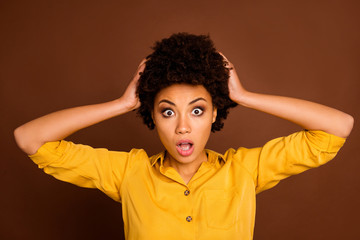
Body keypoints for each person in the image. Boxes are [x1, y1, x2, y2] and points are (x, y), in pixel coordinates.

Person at [14, 33, 353, 240]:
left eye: (197, 110)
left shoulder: (245, 171)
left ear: (215, 113)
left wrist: (245, 96)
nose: (182, 127)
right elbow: (29, 138)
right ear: (152, 116)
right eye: (167, 111)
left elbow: (338, 127)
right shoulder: (128, 173)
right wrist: (122, 104)